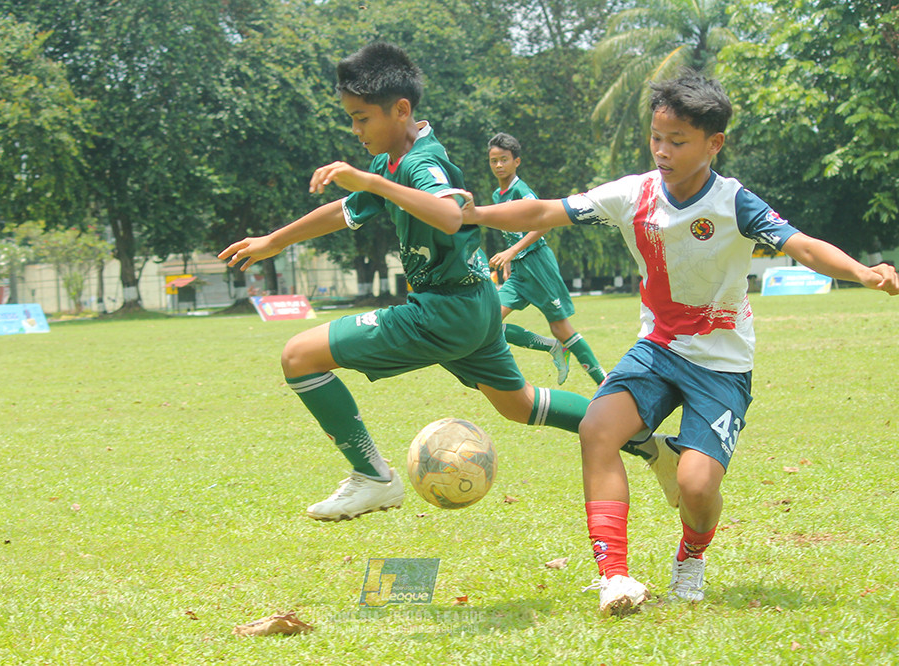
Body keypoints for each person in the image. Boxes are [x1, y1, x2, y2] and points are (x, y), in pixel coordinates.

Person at [469, 71, 899, 616]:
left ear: (713, 143)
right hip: (658, 350)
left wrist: (862, 272)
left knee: (696, 488)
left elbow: (804, 247)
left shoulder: (734, 203)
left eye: (678, 141)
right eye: (656, 138)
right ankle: (615, 577)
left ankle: (690, 557)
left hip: (722, 365)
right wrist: (475, 215)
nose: (662, 151)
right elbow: (545, 212)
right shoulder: (633, 193)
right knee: (598, 429)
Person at [218, 42, 676, 523]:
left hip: (441, 312)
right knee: (521, 405)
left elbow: (450, 213)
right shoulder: (393, 160)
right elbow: (345, 210)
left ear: (401, 110)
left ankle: (374, 477)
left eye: (361, 118)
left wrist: (371, 183)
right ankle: (651, 446)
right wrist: (275, 239)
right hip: (475, 305)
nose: (355, 131)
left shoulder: (420, 163)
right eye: (350, 119)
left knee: (298, 357)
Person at [487, 132, 607, 386]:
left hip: (538, 264)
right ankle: (552, 348)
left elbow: (543, 225)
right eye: (494, 160)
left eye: (504, 160)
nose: (499, 165)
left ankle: (604, 383)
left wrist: (511, 252)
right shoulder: (498, 195)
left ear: (516, 161)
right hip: (520, 270)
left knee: (561, 328)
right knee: (488, 322)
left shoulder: (521, 190)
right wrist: (510, 260)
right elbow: (511, 230)